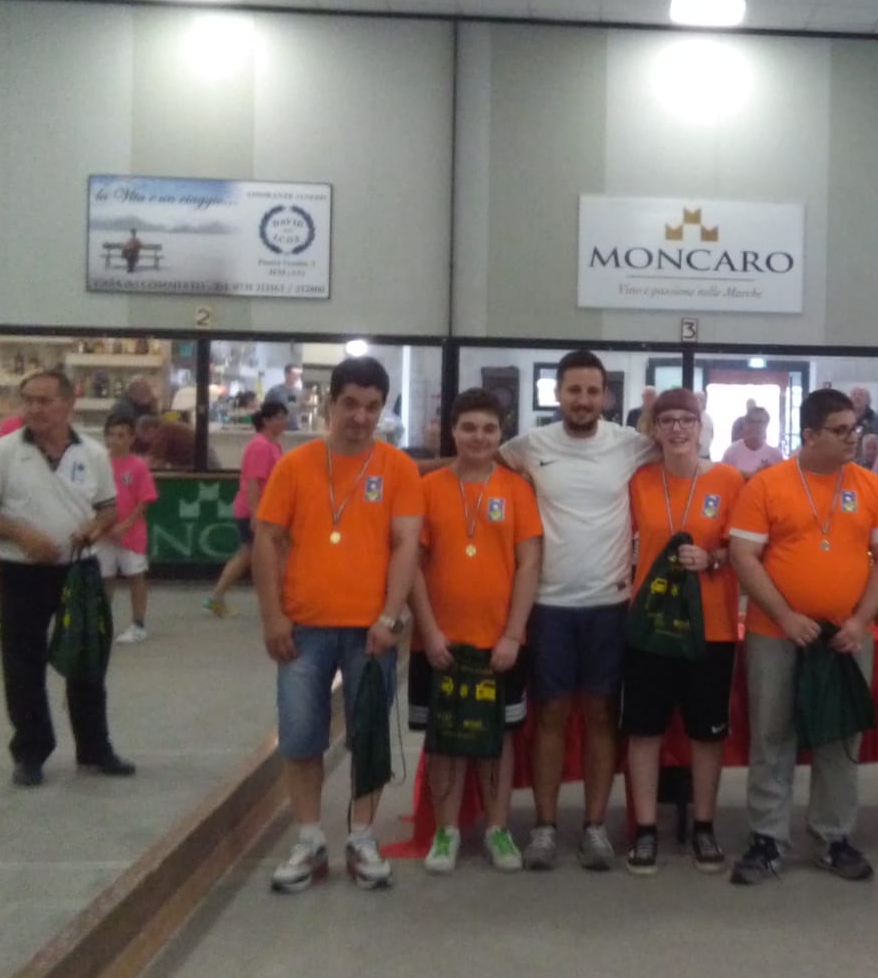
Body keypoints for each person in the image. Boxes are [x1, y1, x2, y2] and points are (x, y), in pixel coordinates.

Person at [253, 356, 423, 892]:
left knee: (368, 737)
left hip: (372, 631)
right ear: (330, 404)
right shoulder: (295, 465)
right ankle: (309, 838)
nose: (360, 416)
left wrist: (391, 616)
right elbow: (266, 540)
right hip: (304, 628)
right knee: (300, 735)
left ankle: (362, 835)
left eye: (372, 406)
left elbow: (406, 545)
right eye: (350, 404)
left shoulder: (398, 468)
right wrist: (273, 616)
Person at [727, 388, 878, 885]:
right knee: (772, 734)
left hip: (846, 636)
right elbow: (743, 557)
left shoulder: (869, 486)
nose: (853, 438)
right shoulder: (768, 485)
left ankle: (833, 837)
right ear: (809, 435)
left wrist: (860, 620)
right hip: (776, 633)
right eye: (840, 430)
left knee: (841, 736)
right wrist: (784, 616)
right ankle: (767, 838)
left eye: (855, 429)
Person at [499, 349, 658, 872]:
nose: (583, 400)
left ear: (606, 397)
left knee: (600, 717)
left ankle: (594, 827)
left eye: (592, 391)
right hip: (548, 606)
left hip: (609, 607)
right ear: (558, 394)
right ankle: (545, 827)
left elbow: (682, 450)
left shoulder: (630, 444)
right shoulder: (529, 446)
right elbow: (473, 466)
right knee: (549, 716)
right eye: (574, 390)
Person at [409, 388, 542, 874]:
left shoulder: (517, 489)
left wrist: (512, 634)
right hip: (439, 642)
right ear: (453, 432)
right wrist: (429, 632)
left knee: (498, 739)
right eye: (469, 428)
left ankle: (497, 828)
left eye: (488, 429)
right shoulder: (428, 489)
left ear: (501, 434)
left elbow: (529, 564)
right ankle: (446, 831)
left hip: (499, 643)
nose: (479, 437)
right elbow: (413, 566)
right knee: (444, 738)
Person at [0, 368, 132, 787]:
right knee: (22, 663)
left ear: (68, 404)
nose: (34, 408)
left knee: (87, 659)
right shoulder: (2, 453)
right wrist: (22, 535)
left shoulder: (92, 453)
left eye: (44, 400)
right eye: (28, 400)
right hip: (21, 572)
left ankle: (94, 748)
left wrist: (94, 529)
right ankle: (30, 752)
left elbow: (108, 508)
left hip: (79, 570)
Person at [621, 389, 744, 875]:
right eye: (667, 420)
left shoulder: (728, 480)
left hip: (710, 627)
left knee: (706, 734)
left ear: (700, 427)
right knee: (645, 730)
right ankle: (646, 830)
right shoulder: (638, 481)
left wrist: (712, 558)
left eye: (685, 420)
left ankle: (704, 827)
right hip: (651, 626)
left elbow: (746, 550)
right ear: (654, 429)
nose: (676, 429)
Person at [205, 401, 289, 616]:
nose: (283, 422)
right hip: (257, 511)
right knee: (265, 554)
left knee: (250, 554)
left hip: (266, 510)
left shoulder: (272, 445)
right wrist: (255, 513)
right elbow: (253, 482)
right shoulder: (260, 446)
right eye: (279, 417)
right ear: (266, 421)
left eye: (284, 417)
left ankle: (217, 597)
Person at [97, 414, 158, 645]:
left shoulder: (138, 466)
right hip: (103, 534)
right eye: (111, 435)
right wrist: (101, 524)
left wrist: (125, 525)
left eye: (121, 435)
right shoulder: (98, 463)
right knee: (105, 579)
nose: (115, 440)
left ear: (132, 438)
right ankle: (102, 623)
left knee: (135, 576)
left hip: (131, 534)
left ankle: (138, 624)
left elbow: (144, 500)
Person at [721, 405, 783, 478]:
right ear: (745, 424)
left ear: (766, 425)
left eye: (760, 422)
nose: (756, 426)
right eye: (752, 421)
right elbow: (723, 478)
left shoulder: (775, 455)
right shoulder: (732, 452)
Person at [850, 386, 878, 456]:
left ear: (867, 400)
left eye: (861, 395)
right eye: (854, 395)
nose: (857, 397)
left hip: (870, 459)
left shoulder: (876, 419)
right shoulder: (845, 418)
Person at [695, 390, 715, 457]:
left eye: (701, 400)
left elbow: (711, 435)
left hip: (702, 455)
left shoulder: (706, 418)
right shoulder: (691, 417)